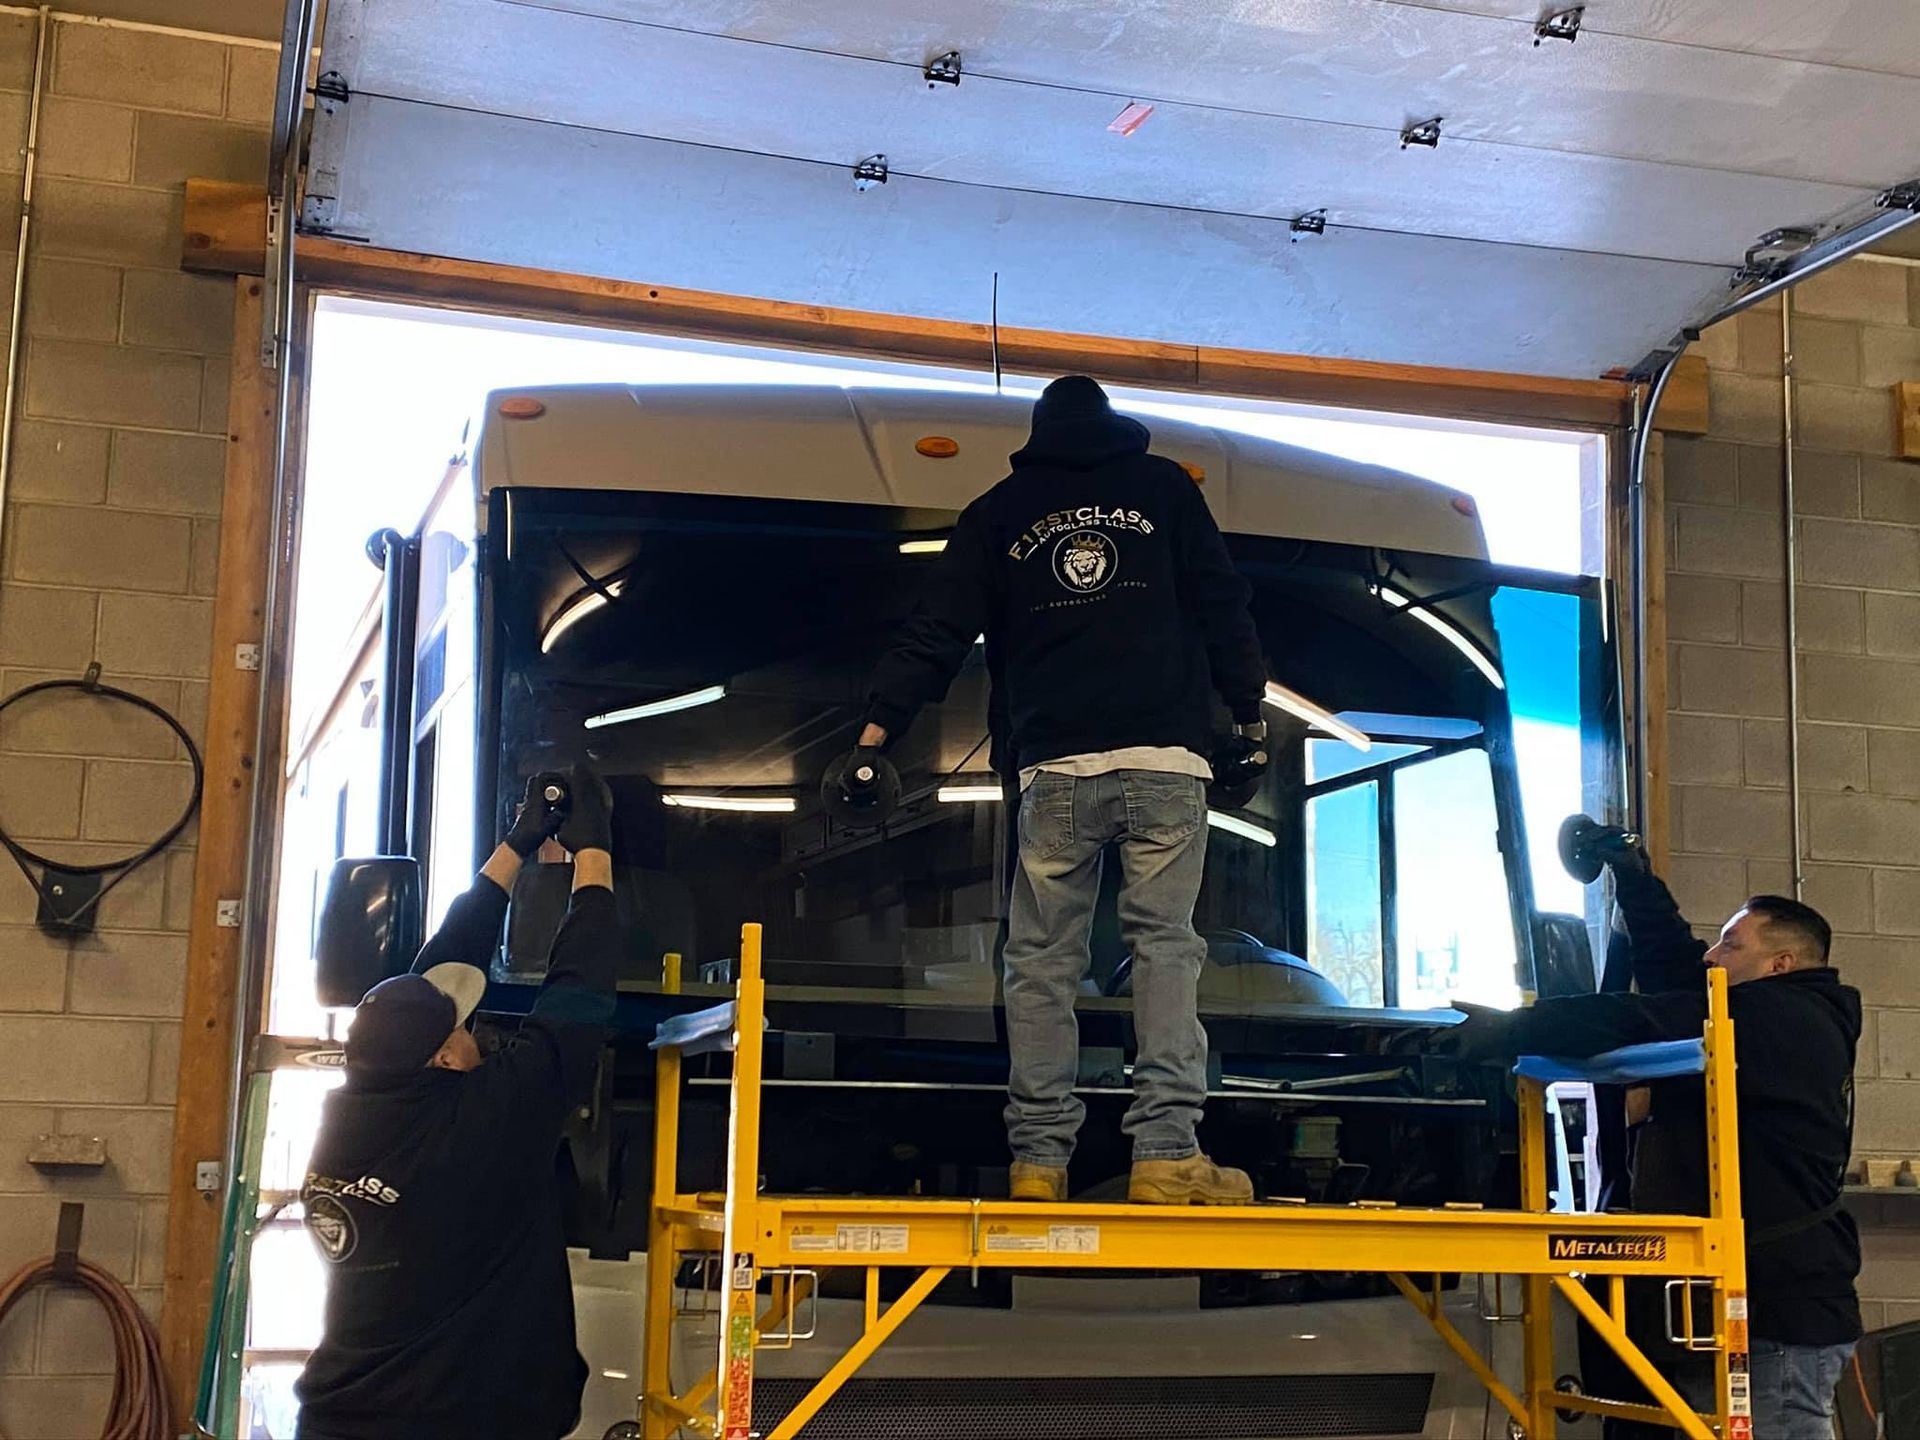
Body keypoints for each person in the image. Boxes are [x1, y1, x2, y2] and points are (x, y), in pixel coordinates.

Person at [860, 375, 1268, 1206]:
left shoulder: (1000, 510)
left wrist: (874, 734)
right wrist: (1250, 713)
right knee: (1164, 948)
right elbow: (1223, 600)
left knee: (1042, 962)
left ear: (1038, 436)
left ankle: (1039, 1162)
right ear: (1115, 425)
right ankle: (1164, 1153)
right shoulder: (1162, 490)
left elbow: (936, 630)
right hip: (1166, 760)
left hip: (1056, 769)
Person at [1450, 836, 1861, 1440]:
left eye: (1732, 944)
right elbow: (1677, 965)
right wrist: (1636, 881)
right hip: (1738, 1314)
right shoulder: (1764, 1016)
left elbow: (1640, 1015)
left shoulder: (1790, 1021)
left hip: (1777, 1323)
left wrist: (1503, 1032)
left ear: (1780, 965)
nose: (1712, 955)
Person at [295, 768, 620, 1440]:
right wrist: (594, 854)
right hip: (455, 1422)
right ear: (443, 1059)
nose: (475, 1033)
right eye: (462, 1030)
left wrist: (515, 847)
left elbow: (430, 979)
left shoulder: (351, 1114)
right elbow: (578, 999)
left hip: (342, 1419)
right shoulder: (479, 1128)